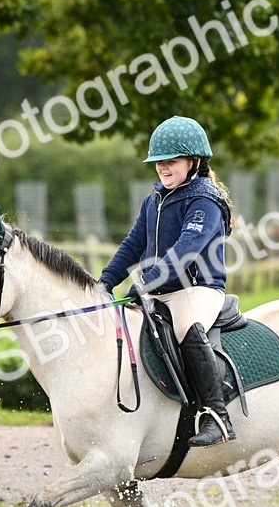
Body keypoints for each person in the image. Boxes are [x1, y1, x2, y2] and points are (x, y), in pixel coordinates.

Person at [96, 115, 236, 447]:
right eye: (159, 162)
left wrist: (147, 282)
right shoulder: (154, 200)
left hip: (199, 290)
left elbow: (186, 249)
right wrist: (104, 283)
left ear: (195, 161)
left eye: (171, 161)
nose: (163, 167)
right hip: (161, 290)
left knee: (188, 327)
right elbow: (133, 245)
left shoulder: (205, 200)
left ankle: (218, 417)